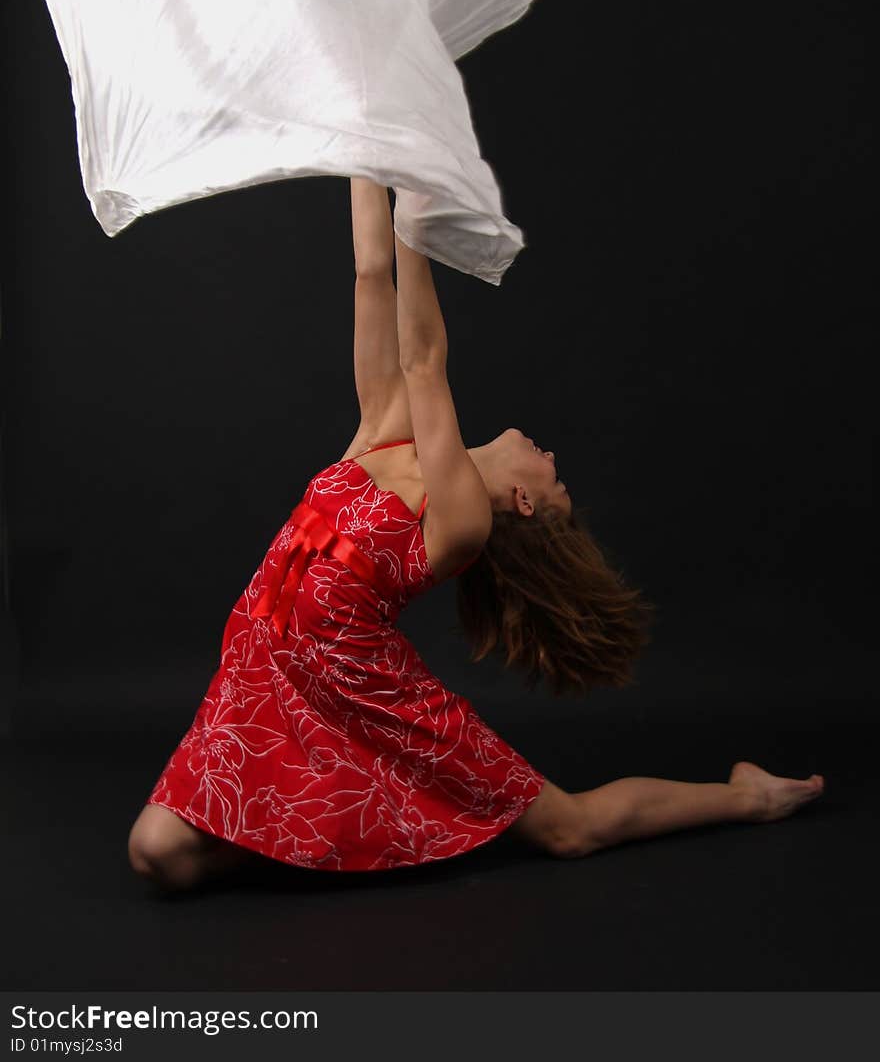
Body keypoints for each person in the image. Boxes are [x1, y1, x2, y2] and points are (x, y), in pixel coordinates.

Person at [128, 178, 824, 892]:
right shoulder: (382, 430)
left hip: (364, 688)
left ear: (520, 499)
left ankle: (750, 795)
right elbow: (371, 270)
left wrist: (419, 201)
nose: (550, 457)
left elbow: (425, 358)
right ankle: (336, 824)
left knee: (568, 827)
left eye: (553, 477)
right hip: (267, 674)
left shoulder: (459, 520)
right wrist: (371, 140)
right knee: (160, 853)